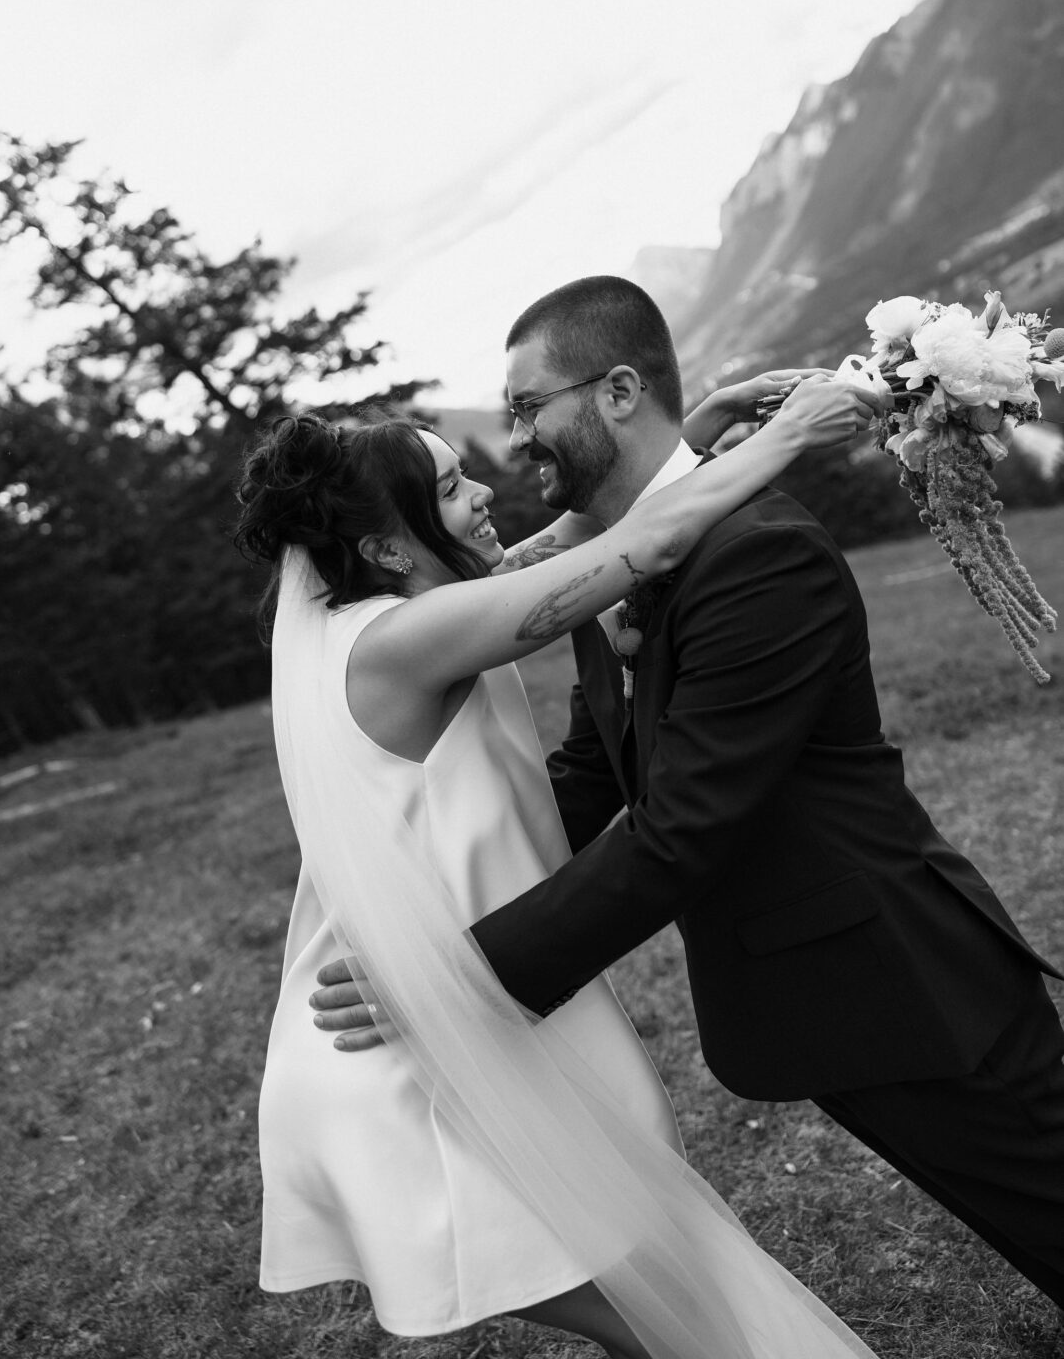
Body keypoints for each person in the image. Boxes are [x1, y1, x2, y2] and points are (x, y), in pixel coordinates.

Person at [313, 274, 1064, 1313]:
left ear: (617, 392)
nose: (518, 436)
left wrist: (454, 980)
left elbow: (676, 834)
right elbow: (593, 770)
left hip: (906, 980)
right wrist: (431, 896)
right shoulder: (618, 559)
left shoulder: (757, 555)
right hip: (823, 997)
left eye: (531, 406)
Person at [234, 373, 882, 1359]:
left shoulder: (380, 609)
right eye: (451, 489)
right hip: (395, 1073)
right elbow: (639, 548)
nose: (483, 494)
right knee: (685, 1310)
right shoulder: (408, 639)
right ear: (385, 546)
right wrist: (789, 433)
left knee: (672, 1307)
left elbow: (558, 547)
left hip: (410, 1035)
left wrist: (691, 437)